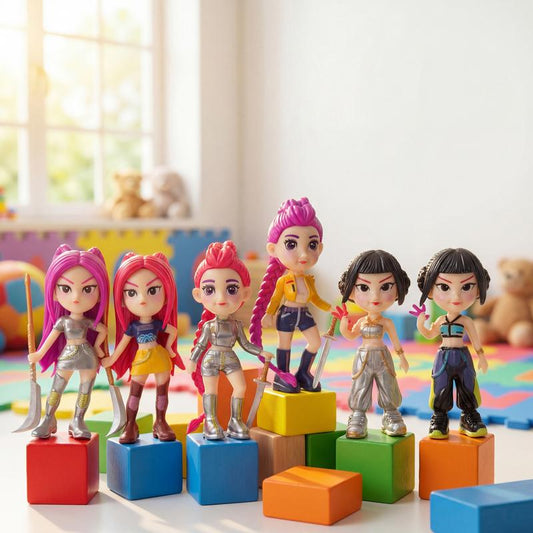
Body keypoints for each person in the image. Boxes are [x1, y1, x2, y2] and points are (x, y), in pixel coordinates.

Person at [187, 241, 273, 440]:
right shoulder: (209, 326)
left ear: (245, 293)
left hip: (231, 358)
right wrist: (192, 360)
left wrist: (261, 352)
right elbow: (201, 344)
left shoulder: (236, 325)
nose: (221, 298)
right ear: (198, 295)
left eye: (231, 289)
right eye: (210, 290)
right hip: (210, 359)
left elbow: (245, 344)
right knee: (211, 389)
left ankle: (235, 420)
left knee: (241, 387)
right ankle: (210, 421)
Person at [250, 197, 331, 393]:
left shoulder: (309, 280)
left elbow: (315, 299)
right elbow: (276, 299)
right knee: (284, 343)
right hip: (287, 314)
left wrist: (331, 308)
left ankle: (303, 372)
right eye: (291, 244)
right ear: (273, 249)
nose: (304, 254)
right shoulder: (283, 281)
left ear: (320, 248)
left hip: (304, 314)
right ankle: (283, 375)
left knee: (315, 342)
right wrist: (269, 314)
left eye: (312, 245)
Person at [28, 245, 109, 439]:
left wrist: (98, 348)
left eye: (87, 289)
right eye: (66, 288)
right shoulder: (63, 321)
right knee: (57, 387)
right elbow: (51, 338)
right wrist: (39, 354)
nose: (76, 297)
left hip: (88, 356)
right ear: (54, 292)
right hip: (68, 354)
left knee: (85, 389)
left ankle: (78, 420)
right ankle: (48, 418)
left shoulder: (87, 321)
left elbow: (103, 330)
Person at [103, 252, 183, 443]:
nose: (142, 299)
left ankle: (161, 422)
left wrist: (170, 348)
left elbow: (172, 331)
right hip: (141, 359)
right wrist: (112, 359)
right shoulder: (133, 327)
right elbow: (122, 344)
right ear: (122, 298)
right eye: (132, 293)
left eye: (153, 290)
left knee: (162, 391)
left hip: (160, 357)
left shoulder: (157, 323)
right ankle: (131, 424)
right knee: (134, 393)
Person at [411, 248, 490, 439]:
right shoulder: (440, 321)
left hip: (463, 356)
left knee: (468, 384)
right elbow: (429, 334)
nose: (456, 297)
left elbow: (475, 340)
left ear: (478, 288)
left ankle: (469, 416)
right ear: (431, 289)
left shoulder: (466, 321)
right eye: (445, 287)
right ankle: (439, 417)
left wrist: (481, 357)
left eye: (466, 287)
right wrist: (420, 323)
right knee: (440, 386)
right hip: (443, 357)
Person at [336, 250, 410, 438]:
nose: (375, 296)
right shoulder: (361, 321)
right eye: (364, 287)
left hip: (383, 357)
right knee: (360, 384)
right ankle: (358, 416)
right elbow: (350, 335)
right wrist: (343, 323)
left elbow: (395, 342)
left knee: (388, 383)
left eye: (385, 287)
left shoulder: (387, 323)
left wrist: (402, 357)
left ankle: (391, 414)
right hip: (363, 358)